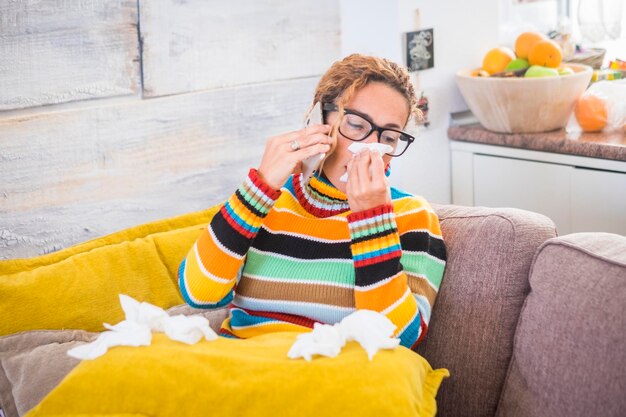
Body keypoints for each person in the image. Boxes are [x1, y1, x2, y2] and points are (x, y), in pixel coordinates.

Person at [178, 54, 446, 349]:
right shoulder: (265, 202)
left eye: (390, 137)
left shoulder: (410, 215)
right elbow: (198, 293)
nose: (370, 148)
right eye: (356, 125)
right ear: (319, 119)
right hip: (246, 369)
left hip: (337, 379)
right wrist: (261, 186)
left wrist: (373, 221)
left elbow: (398, 339)